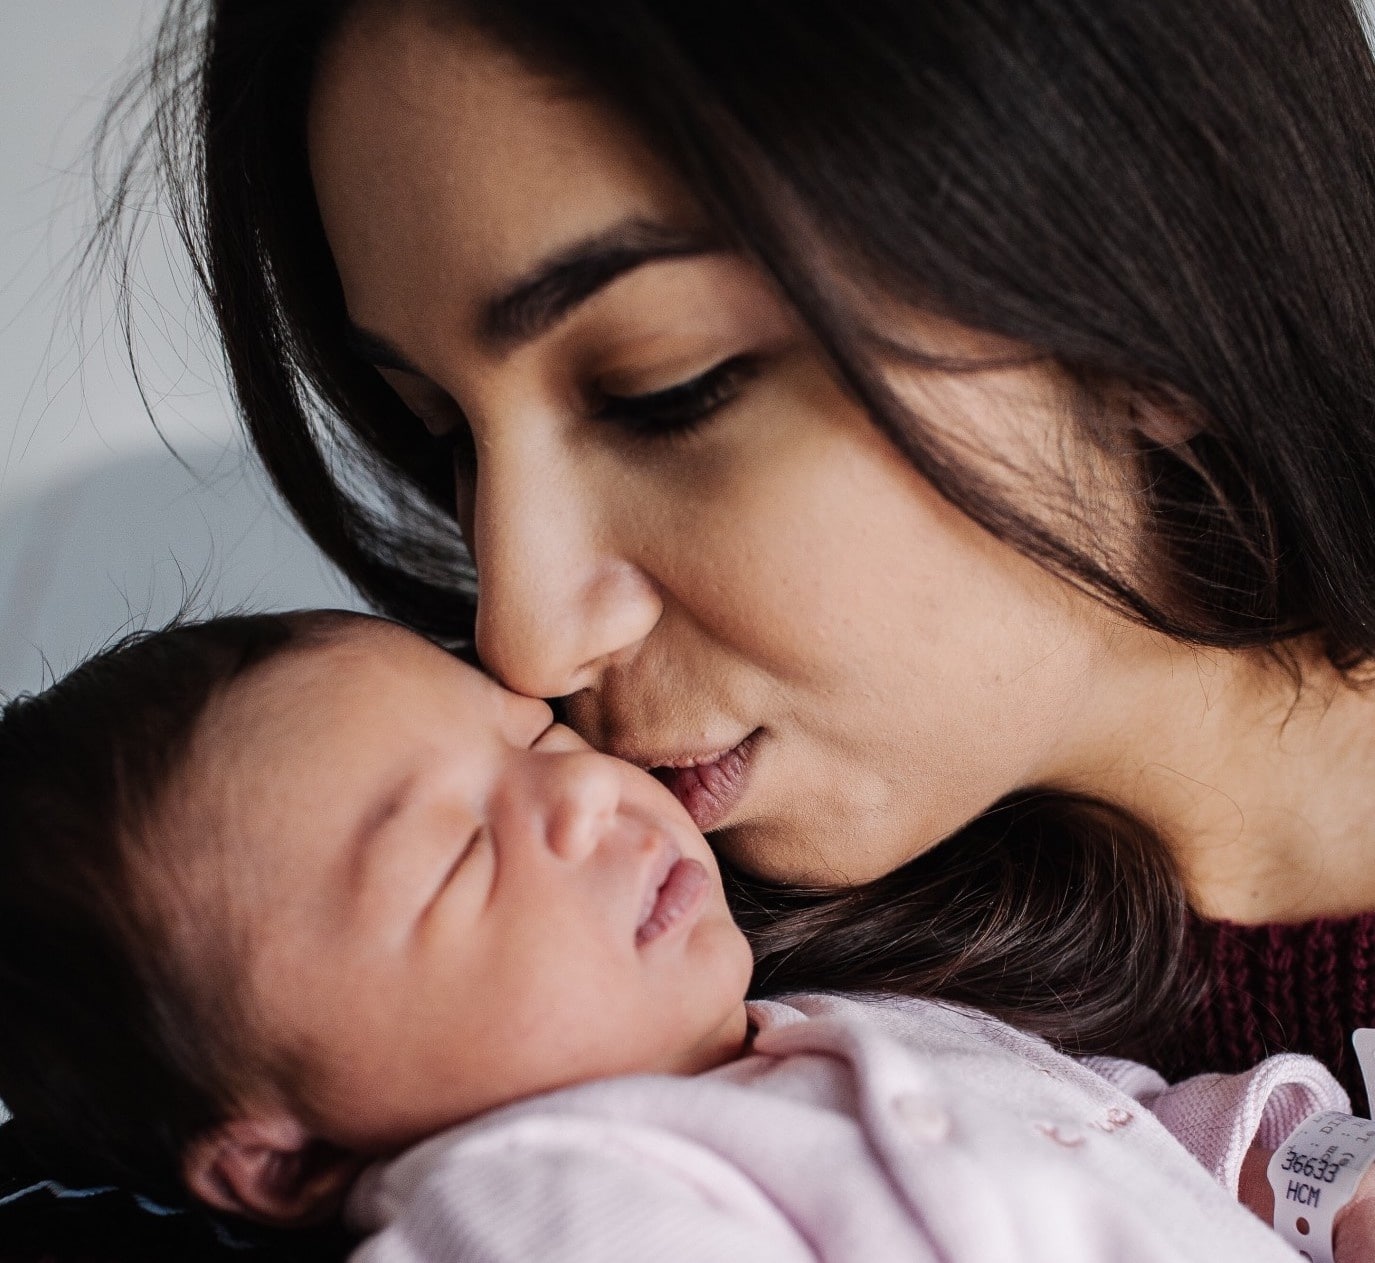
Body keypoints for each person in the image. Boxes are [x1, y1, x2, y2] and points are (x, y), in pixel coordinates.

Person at [127, 0, 1375, 1106]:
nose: (524, 636)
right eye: (442, 431)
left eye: (666, 388)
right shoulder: (550, 990)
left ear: (1148, 283)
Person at [0, 609, 1365, 1262]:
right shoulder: (528, 1204)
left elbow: (1149, 1134)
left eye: (531, 730)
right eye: (460, 855)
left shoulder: (856, 1023)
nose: (584, 792)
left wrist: (1319, 1176)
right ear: (283, 1153)